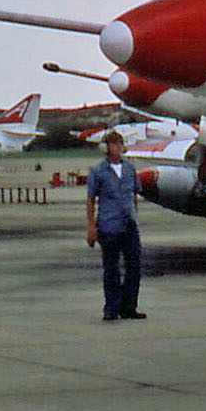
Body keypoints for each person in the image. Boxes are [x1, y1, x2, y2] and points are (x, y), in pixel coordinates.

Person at [86, 130, 145, 321]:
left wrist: (135, 218)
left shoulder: (130, 169)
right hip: (108, 225)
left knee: (134, 267)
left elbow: (134, 195)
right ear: (106, 148)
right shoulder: (97, 171)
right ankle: (111, 307)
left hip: (129, 224)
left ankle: (129, 307)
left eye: (120, 143)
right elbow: (90, 200)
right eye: (114, 144)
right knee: (111, 269)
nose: (118, 147)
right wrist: (91, 228)